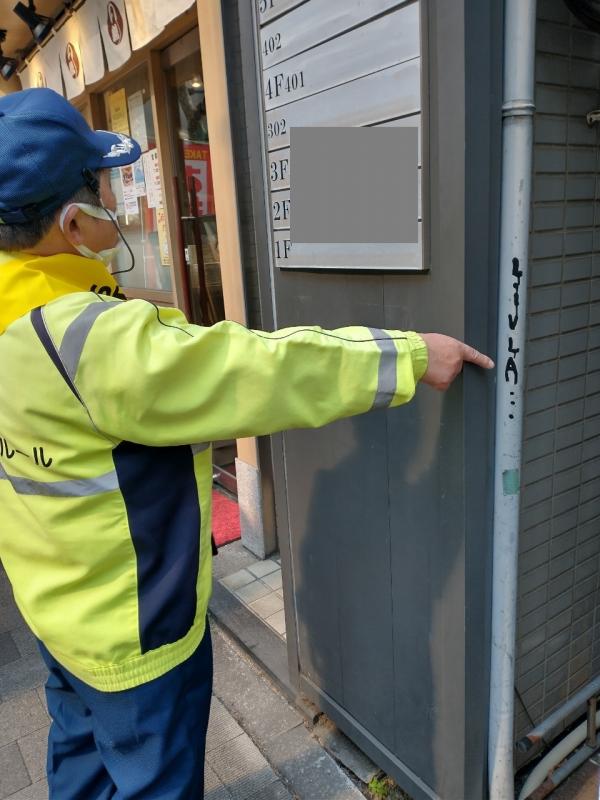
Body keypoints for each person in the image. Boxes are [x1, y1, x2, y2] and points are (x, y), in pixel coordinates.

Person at [0, 88, 494, 800]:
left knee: (78, 770)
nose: (118, 199)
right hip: (131, 638)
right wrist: (410, 356)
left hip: (54, 615)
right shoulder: (88, 339)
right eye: (104, 184)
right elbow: (261, 371)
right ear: (73, 220)